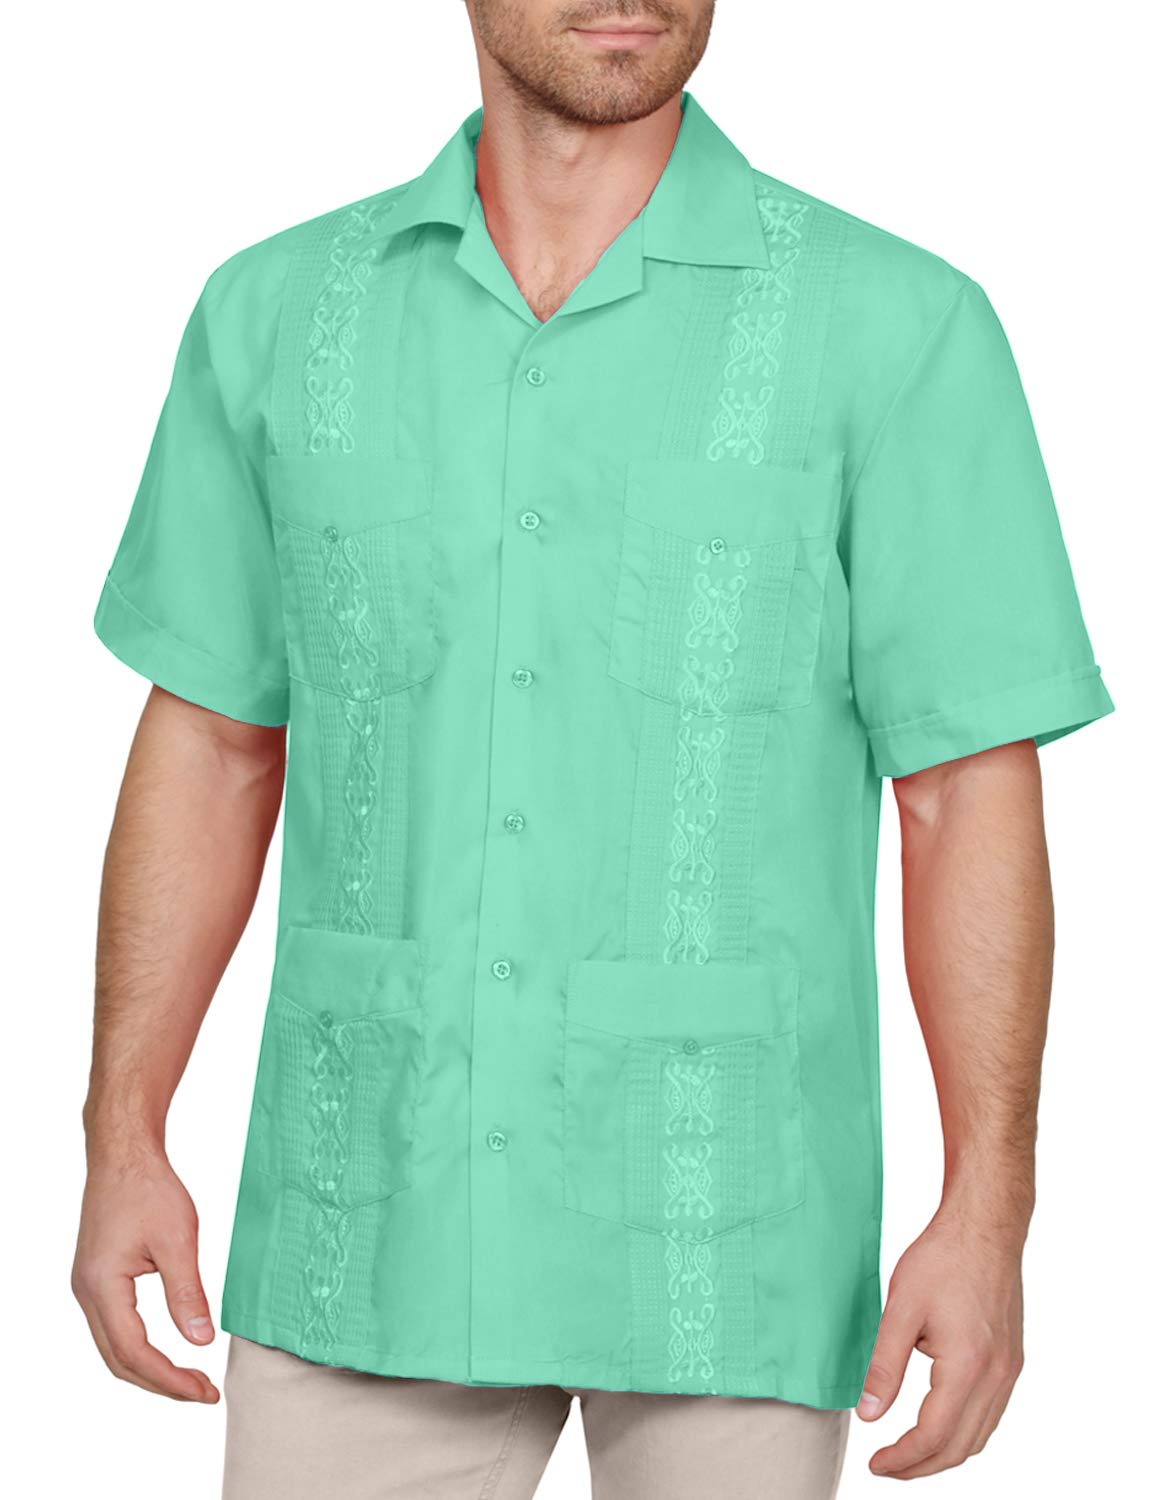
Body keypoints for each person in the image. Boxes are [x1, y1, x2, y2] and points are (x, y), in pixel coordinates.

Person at [72, 2, 1114, 1496]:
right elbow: (214, 742)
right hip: (363, 1216)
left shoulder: (895, 327)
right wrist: (122, 1133)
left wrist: (987, 1211)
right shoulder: (278, 316)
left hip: (724, 1231)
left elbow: (964, 796)